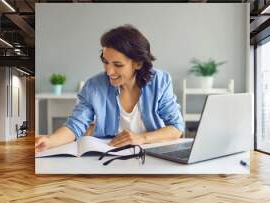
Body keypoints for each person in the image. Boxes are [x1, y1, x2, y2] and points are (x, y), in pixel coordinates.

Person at [35, 24, 184, 153]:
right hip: (107, 156)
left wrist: (141, 138)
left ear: (138, 63)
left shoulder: (160, 81)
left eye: (117, 65)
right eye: (105, 62)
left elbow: (176, 128)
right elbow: (75, 125)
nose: (109, 71)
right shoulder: (94, 86)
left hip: (149, 155)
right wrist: (50, 140)